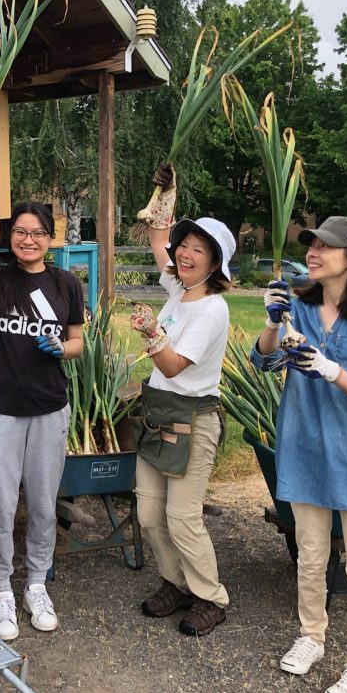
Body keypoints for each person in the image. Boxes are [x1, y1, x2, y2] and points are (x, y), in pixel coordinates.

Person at [251, 216, 347, 693]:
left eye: (326, 246)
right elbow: (264, 360)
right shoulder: (298, 307)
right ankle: (311, 637)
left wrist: (331, 369)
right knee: (310, 558)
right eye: (311, 244)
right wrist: (272, 323)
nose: (313, 252)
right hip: (306, 452)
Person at [0, 138, 85, 641]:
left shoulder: (67, 285)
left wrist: (60, 347)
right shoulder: (0, 279)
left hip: (48, 408)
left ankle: (37, 583)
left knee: (41, 500)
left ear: (50, 240)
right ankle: (2, 591)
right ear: (10, 238)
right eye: (19, 232)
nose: (27, 240)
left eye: (36, 233)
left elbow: (79, 343)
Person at [128, 163, 235, 637]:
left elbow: (172, 366)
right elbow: (158, 240)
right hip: (158, 415)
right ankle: (176, 583)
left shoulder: (213, 308)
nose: (187, 254)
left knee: (183, 517)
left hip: (193, 420)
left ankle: (211, 597)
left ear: (216, 264)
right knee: (150, 515)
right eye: (185, 246)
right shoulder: (180, 288)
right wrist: (165, 195)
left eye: (200, 250)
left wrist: (151, 331)